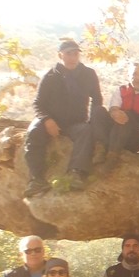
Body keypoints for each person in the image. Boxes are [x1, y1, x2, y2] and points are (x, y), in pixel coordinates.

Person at [23, 38, 105, 197]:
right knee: (33, 132)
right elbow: (38, 103)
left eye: (76, 54)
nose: (73, 57)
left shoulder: (88, 74)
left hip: (76, 122)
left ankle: (76, 173)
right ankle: (36, 179)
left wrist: (93, 121)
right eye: (69, 54)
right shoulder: (50, 76)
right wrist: (47, 120)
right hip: (51, 119)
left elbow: (97, 99)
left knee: (86, 131)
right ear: (60, 55)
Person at [95, 60, 139, 171]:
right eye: (134, 74)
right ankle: (102, 148)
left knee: (127, 115)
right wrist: (114, 112)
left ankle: (112, 158)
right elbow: (114, 108)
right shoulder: (121, 91)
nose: (138, 78)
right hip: (116, 132)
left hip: (137, 137)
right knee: (98, 110)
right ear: (129, 76)